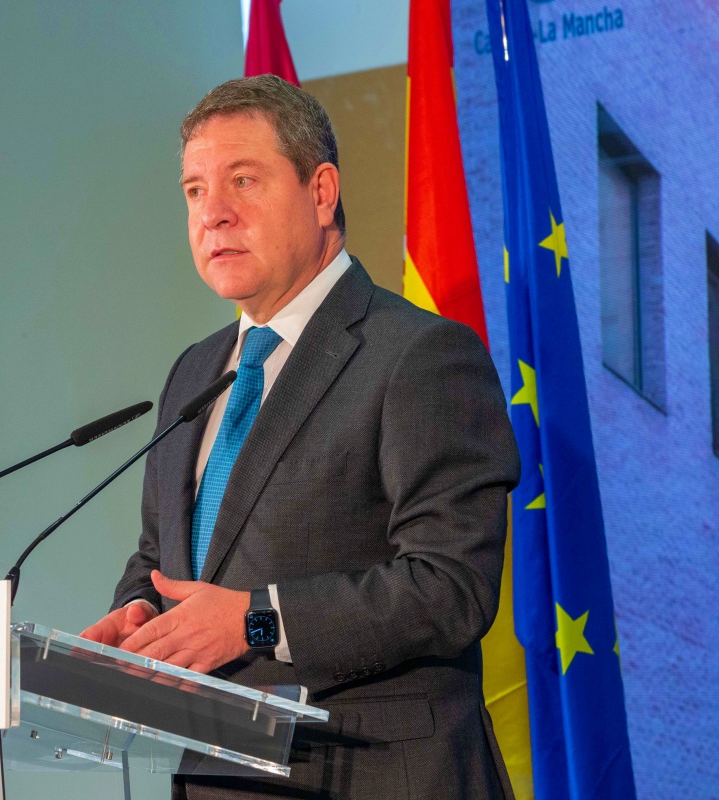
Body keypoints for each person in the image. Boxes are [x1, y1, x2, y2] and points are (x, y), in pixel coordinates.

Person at [80, 75, 520, 800]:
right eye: (194, 190)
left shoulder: (420, 355)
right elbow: (160, 555)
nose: (212, 214)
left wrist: (255, 623)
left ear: (321, 192)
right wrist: (143, 614)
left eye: (242, 180)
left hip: (373, 778)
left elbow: (451, 587)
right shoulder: (193, 373)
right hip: (218, 777)